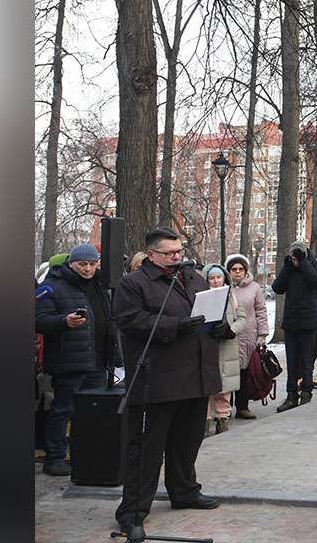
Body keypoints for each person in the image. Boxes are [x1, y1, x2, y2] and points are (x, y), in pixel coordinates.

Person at [113, 228, 224, 540]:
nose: (177, 256)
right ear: (151, 255)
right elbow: (130, 320)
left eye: (179, 250)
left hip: (196, 375)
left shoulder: (194, 278)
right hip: (157, 381)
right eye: (170, 253)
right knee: (148, 450)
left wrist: (219, 327)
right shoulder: (134, 284)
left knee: (187, 442)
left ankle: (184, 490)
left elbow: (209, 313)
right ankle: (132, 510)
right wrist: (176, 326)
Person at [34, 243, 109, 476]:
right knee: (63, 409)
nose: (88, 269)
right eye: (82, 265)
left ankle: (84, 454)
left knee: (91, 411)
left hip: (97, 360)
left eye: (92, 264)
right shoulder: (52, 287)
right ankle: (55, 457)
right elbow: (39, 320)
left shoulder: (99, 285)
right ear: (71, 263)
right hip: (68, 361)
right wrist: (63, 322)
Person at [271, 240, 317, 413]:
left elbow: (315, 281)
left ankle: (306, 392)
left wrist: (303, 262)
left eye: (298, 253)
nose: (295, 257)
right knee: (292, 360)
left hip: (309, 322)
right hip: (291, 321)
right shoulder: (289, 269)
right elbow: (277, 287)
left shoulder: (313, 264)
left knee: (307, 360)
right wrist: (288, 266)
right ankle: (291, 394)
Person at [224, 254, 269, 420]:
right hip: (228, 336)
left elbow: (261, 310)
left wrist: (262, 333)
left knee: (244, 373)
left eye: (240, 269)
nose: (237, 272)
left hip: (248, 336)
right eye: (233, 269)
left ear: (245, 271)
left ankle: (242, 407)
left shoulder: (254, 288)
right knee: (228, 372)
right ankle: (225, 409)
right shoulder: (224, 287)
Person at [202, 265, 243, 435]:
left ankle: (222, 418)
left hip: (227, 346)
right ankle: (205, 421)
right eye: (211, 278)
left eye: (218, 277)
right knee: (207, 386)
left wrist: (231, 329)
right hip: (207, 346)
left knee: (225, 386)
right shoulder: (202, 297)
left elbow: (242, 318)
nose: (215, 281)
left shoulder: (232, 297)